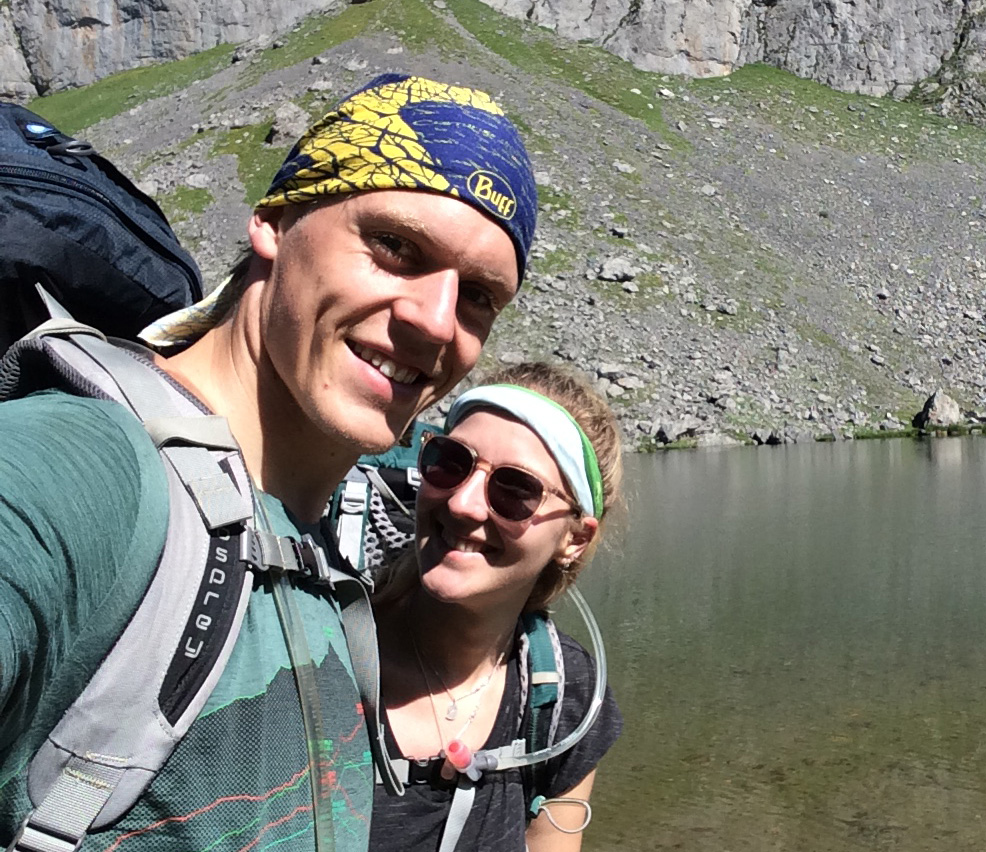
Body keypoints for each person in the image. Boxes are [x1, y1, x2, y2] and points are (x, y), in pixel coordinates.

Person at [0, 73, 537, 851]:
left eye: (481, 295)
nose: (436, 321)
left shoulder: (309, 548)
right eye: (394, 245)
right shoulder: (80, 474)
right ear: (274, 222)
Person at [371, 362, 624, 852]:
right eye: (450, 461)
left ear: (573, 538)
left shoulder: (564, 699)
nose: (463, 503)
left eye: (514, 490)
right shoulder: (315, 650)